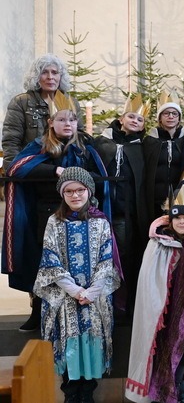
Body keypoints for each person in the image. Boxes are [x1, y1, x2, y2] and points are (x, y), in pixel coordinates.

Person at [2, 93, 108, 332]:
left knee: (80, 262)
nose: (67, 124)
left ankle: (81, 308)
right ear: (51, 122)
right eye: (61, 120)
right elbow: (17, 168)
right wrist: (54, 170)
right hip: (48, 213)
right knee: (47, 263)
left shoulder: (85, 146)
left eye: (71, 120)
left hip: (82, 214)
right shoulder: (39, 146)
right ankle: (39, 309)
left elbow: (100, 177)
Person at [35, 167, 120, 403]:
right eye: (69, 191)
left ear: (89, 191)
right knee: (69, 341)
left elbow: (107, 260)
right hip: (66, 297)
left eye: (80, 190)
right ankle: (71, 393)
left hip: (94, 296)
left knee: (91, 339)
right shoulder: (54, 221)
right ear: (62, 195)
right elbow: (50, 258)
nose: (75, 195)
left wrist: (92, 292)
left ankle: (88, 392)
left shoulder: (100, 221)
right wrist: (75, 290)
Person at [125, 188, 184, 403]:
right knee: (163, 351)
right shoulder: (158, 243)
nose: (181, 222)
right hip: (164, 311)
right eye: (177, 217)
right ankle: (162, 395)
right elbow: (149, 281)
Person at [94, 94, 149, 312]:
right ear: (121, 118)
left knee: (125, 256)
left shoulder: (142, 146)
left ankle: (122, 305)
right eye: (131, 116)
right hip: (104, 209)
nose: (135, 121)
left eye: (140, 119)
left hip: (127, 214)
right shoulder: (101, 142)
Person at [2, 53, 83, 170]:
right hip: (33, 168)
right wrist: (14, 169)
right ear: (36, 77)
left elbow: (79, 136)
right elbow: (11, 141)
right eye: (44, 72)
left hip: (66, 167)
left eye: (55, 72)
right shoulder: (21, 102)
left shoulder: (71, 102)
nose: (50, 77)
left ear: (61, 76)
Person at [143, 92, 184, 224]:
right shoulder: (150, 141)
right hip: (155, 197)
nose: (171, 116)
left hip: (179, 196)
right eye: (166, 113)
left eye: (174, 113)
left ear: (179, 118)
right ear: (160, 118)